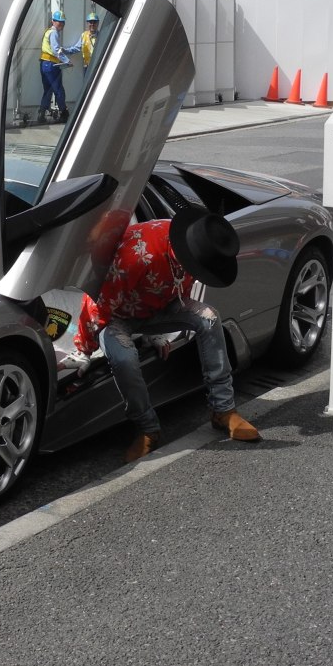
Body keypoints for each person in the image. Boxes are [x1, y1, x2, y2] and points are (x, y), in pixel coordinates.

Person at [73, 189, 259, 463]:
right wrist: (84, 349)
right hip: (118, 314)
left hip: (158, 306)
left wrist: (156, 334)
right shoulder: (139, 256)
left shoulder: (197, 244)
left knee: (209, 318)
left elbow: (177, 290)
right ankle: (147, 428)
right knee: (123, 357)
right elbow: (99, 305)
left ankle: (223, 410)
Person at [38, 10, 80, 123]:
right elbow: (56, 50)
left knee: (48, 90)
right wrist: (67, 61)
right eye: (59, 22)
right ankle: (63, 113)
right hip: (51, 65)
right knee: (59, 89)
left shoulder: (48, 31)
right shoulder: (54, 33)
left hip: (44, 63)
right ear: (53, 21)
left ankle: (41, 113)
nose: (61, 24)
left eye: (62, 22)